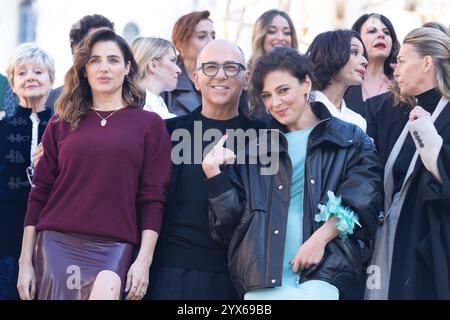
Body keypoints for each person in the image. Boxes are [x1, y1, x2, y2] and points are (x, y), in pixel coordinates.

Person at [203, 47, 382, 300]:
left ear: (306, 83)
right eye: (267, 95)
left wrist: (318, 241)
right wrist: (214, 175)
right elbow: (228, 227)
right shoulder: (255, 149)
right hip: (261, 277)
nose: (275, 103)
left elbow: (365, 199)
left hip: (325, 271)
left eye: (283, 90)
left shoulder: (351, 139)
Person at [16, 29, 171, 300]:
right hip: (55, 242)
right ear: (84, 70)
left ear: (127, 68)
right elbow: (39, 192)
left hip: (114, 245)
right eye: (95, 60)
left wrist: (143, 261)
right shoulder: (61, 122)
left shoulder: (149, 124)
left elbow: (153, 198)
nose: (104, 68)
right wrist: (25, 263)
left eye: (113, 60)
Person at [149, 39, 263, 300]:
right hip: (169, 273)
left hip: (234, 278)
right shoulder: (169, 131)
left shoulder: (263, 137)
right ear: (196, 78)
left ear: (246, 79)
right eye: (210, 67)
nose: (220, 75)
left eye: (231, 68)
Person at [366, 27, 450, 300]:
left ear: (427, 63)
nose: (395, 68)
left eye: (402, 60)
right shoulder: (404, 113)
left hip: (431, 252)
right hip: (392, 243)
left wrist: (428, 137)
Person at [0, 44, 54, 300]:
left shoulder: (66, 128)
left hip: (51, 226)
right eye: (22, 73)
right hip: (7, 229)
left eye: (38, 71)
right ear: (12, 84)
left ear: (51, 80)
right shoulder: (2, 128)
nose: (30, 77)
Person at [45, 14, 115, 110]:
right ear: (76, 50)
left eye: (109, 40)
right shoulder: (51, 101)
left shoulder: (131, 100)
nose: (104, 47)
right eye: (96, 42)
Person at [306, 29, 368, 131]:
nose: (365, 61)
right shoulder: (299, 107)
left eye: (363, 55)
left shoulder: (358, 121)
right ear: (330, 54)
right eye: (354, 52)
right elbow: (273, 143)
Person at [345, 13, 400, 117]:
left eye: (387, 32)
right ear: (356, 40)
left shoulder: (402, 84)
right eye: (372, 31)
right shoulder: (343, 82)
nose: (381, 35)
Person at [247, 9, 299, 121]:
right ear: (260, 36)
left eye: (287, 33)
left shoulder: (303, 75)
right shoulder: (246, 77)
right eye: (272, 31)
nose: (281, 38)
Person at [162, 10, 215, 116]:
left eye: (213, 36)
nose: (211, 42)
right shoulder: (165, 83)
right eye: (201, 36)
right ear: (180, 43)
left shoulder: (226, 78)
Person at [131, 37, 181, 119]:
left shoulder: (156, 104)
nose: (179, 70)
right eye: (172, 60)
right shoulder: (139, 109)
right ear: (153, 65)